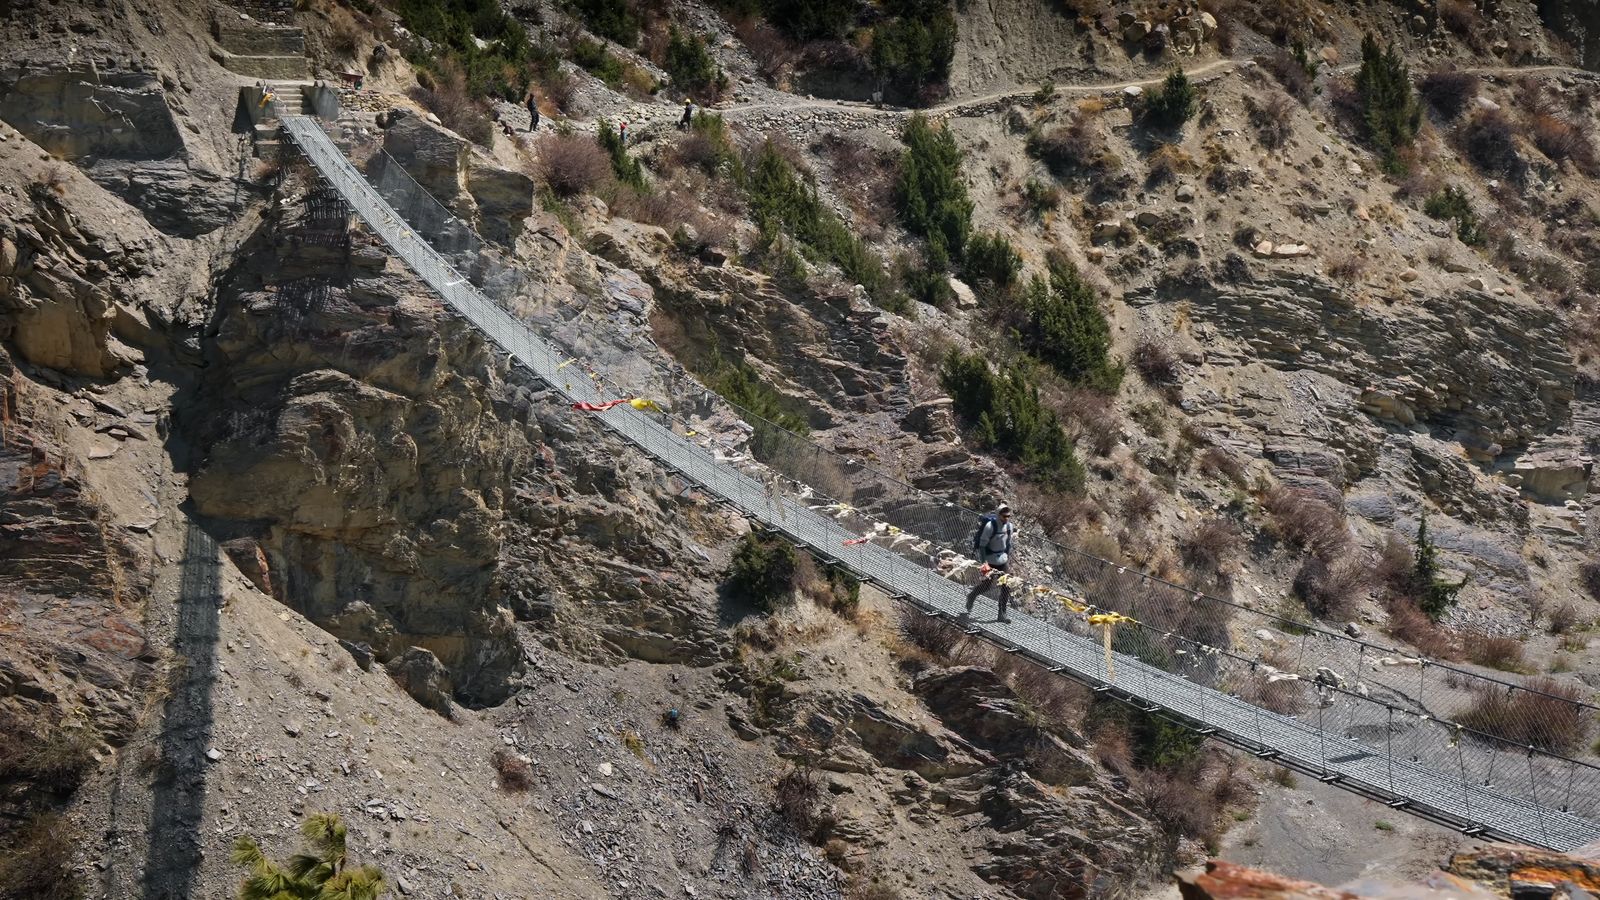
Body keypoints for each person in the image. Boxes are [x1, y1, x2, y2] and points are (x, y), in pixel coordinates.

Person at [965, 504, 1016, 623]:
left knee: (1006, 586)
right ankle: (972, 595)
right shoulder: (990, 526)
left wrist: (1007, 558)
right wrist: (984, 564)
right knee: (987, 585)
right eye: (1004, 516)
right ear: (999, 515)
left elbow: (1008, 544)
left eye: (1008, 516)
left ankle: (1002, 613)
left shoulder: (1009, 527)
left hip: (1002, 560)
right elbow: (982, 546)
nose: (1006, 518)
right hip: (990, 560)